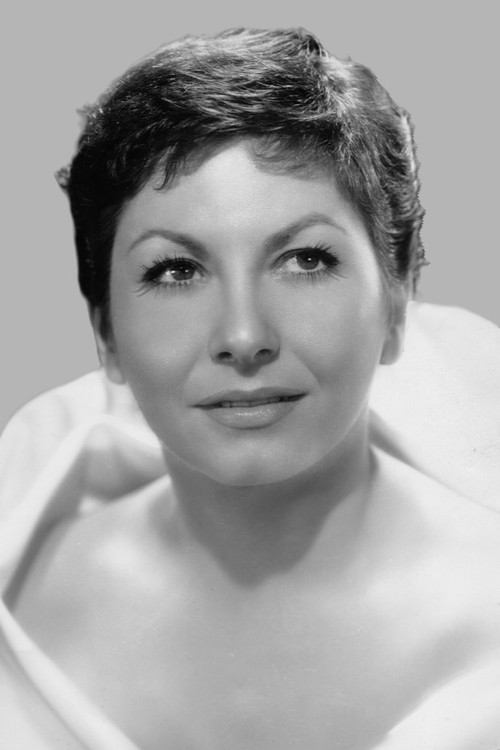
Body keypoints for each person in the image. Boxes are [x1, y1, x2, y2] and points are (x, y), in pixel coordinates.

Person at [1, 27, 500, 750]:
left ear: (396, 301)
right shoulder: (23, 600)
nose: (243, 335)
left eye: (305, 259)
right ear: (105, 331)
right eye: (176, 271)